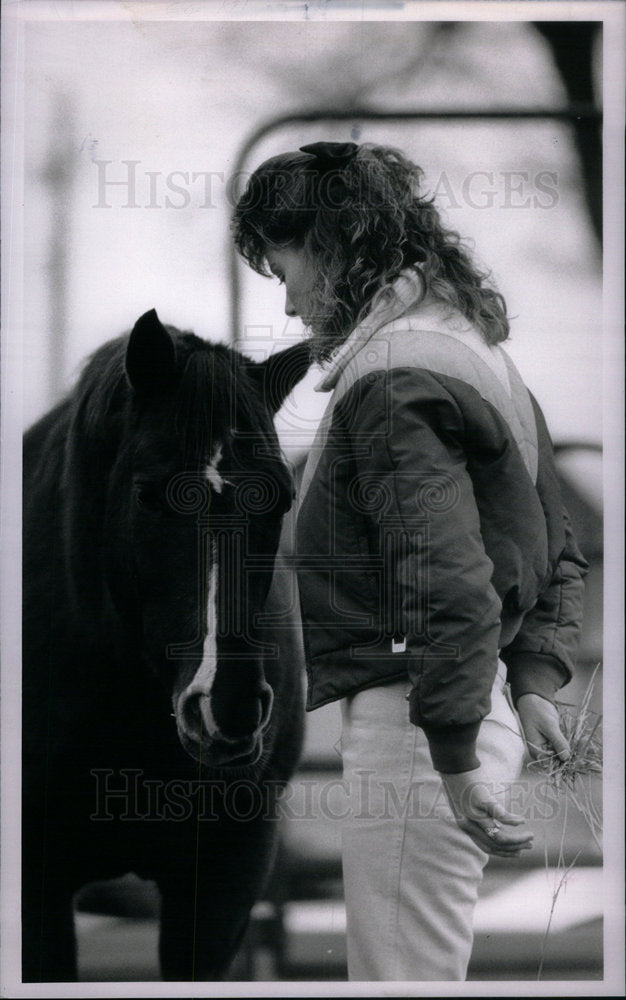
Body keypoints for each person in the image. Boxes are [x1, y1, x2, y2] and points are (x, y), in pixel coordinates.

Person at [232, 140, 588, 981]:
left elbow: (446, 580)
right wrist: (529, 681)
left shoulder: (391, 379)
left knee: (399, 985)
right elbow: (553, 539)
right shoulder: (471, 350)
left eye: (287, 269)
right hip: (461, 705)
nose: (287, 304)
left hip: (419, 729)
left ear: (335, 245)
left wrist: (456, 759)